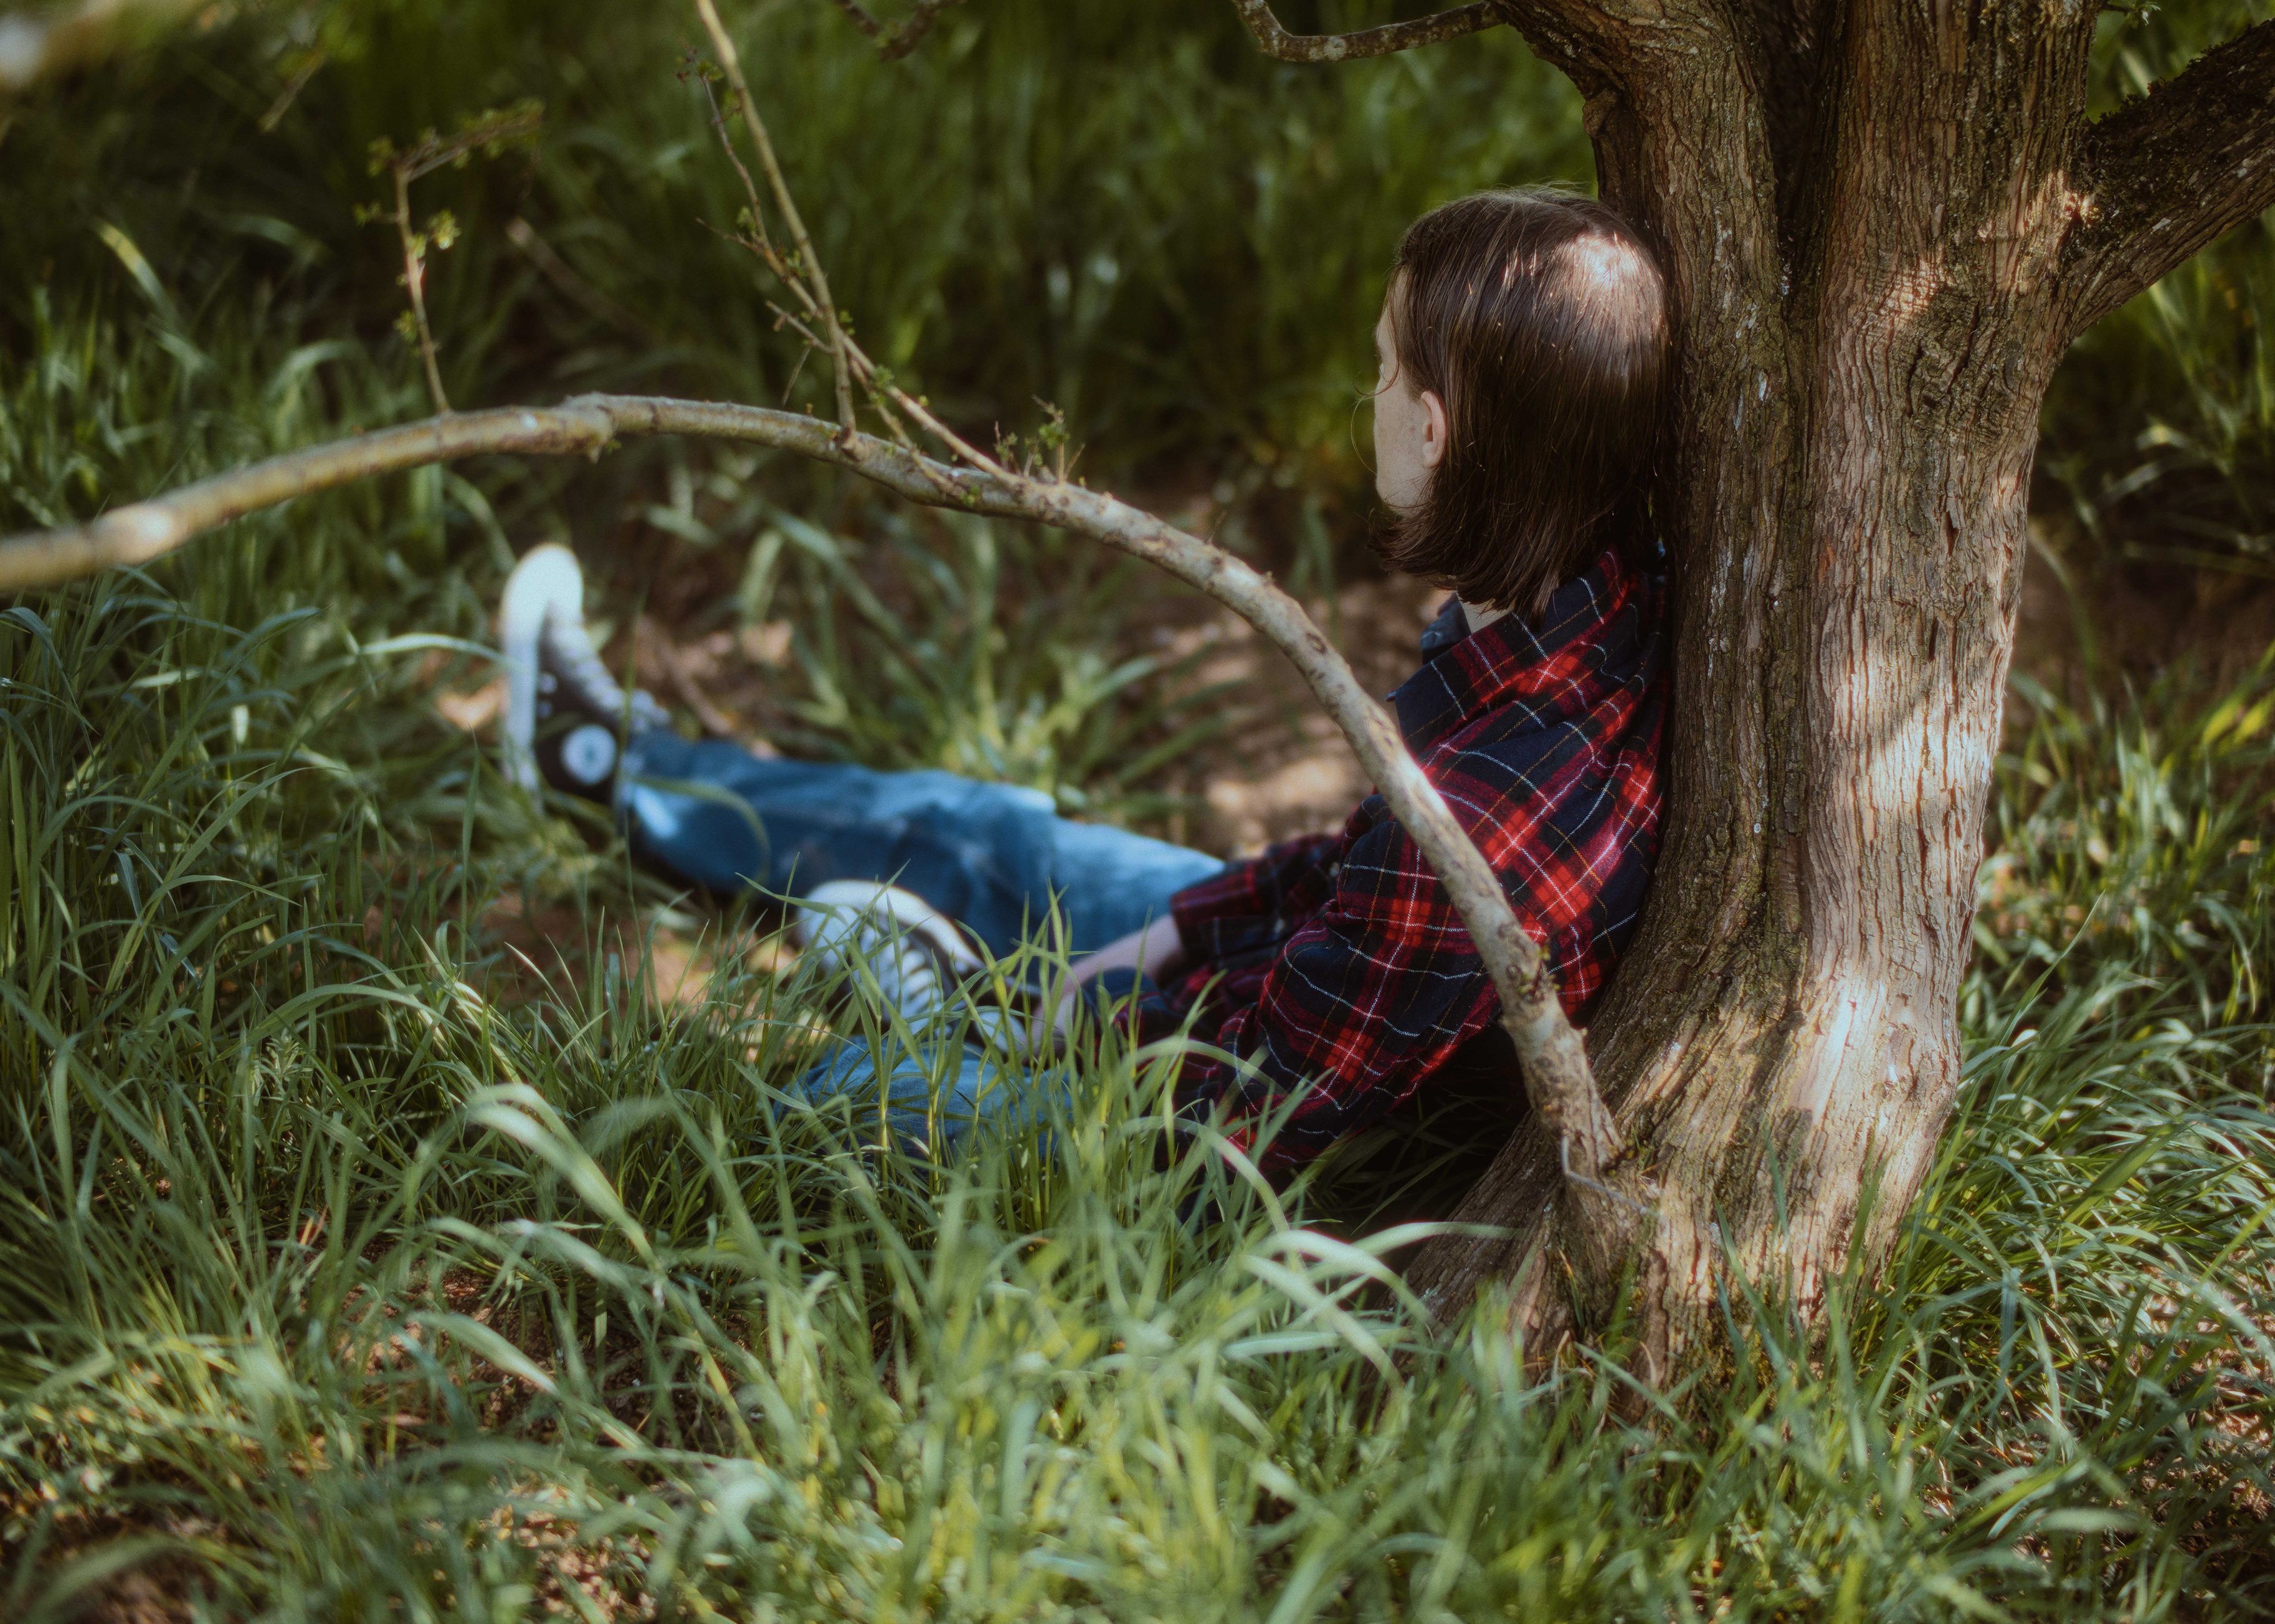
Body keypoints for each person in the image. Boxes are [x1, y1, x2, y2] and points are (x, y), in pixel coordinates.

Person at [498, 187, 1671, 1174]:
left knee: (844, 1094)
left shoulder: (1483, 825)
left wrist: (1073, 1020)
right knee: (987, 834)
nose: (1361, 396)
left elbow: (1249, 1097)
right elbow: (1362, 874)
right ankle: (611, 770)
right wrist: (1163, 938)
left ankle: (943, 1022)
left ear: (1433, 430)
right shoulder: (1594, 597)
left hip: (1271, 1152)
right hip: (1342, 967)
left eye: (1378, 369)